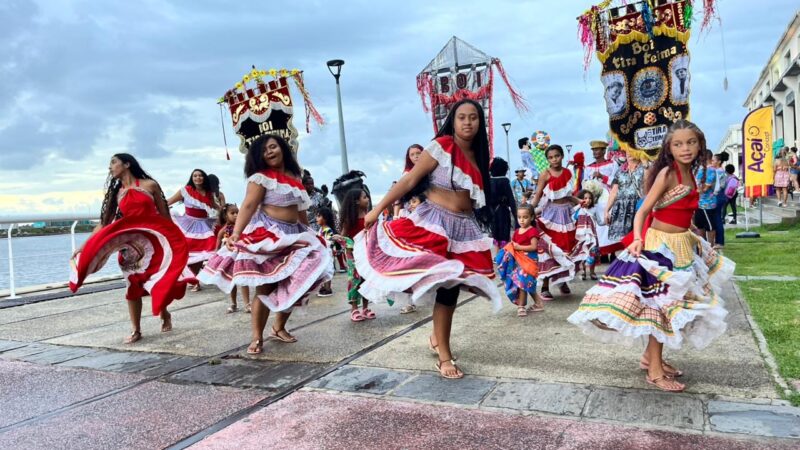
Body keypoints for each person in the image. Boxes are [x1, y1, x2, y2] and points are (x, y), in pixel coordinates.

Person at [568, 120, 733, 393]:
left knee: (670, 307)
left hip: (682, 245)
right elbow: (643, 211)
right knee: (661, 309)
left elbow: (681, 213)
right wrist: (636, 239)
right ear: (669, 148)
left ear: (700, 144)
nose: (686, 148)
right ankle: (654, 371)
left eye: (691, 142)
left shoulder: (692, 173)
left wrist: (694, 236)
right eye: (678, 144)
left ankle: (650, 358)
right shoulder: (668, 173)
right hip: (661, 248)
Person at [354, 99, 500, 379]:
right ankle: (444, 356)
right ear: (453, 122)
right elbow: (409, 181)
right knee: (443, 286)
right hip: (433, 223)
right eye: (462, 118)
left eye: (473, 118)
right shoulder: (443, 145)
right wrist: (378, 208)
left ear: (481, 123)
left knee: (452, 288)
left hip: (464, 230)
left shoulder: (479, 158)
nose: (468, 122)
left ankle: (437, 338)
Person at [198, 135, 333, 355]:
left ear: (282, 149)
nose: (269, 152)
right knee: (265, 287)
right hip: (270, 235)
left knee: (298, 282)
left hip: (295, 234)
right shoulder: (260, 178)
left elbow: (300, 209)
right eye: (264, 150)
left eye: (273, 147)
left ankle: (278, 327)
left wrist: (310, 233)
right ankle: (257, 337)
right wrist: (237, 234)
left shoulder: (295, 175)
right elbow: (249, 205)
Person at [70, 153, 189, 344]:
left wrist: (175, 243)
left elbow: (165, 216)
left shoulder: (150, 185)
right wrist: (85, 246)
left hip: (154, 243)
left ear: (126, 164)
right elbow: (104, 223)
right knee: (133, 285)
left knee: (156, 281)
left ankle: (164, 313)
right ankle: (136, 330)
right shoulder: (117, 193)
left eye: (113, 163)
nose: (110, 167)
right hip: (130, 246)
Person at [530, 145, 580, 300]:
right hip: (551, 214)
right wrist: (528, 210)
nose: (554, 159)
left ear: (562, 156)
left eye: (557, 156)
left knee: (567, 248)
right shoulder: (545, 174)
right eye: (550, 157)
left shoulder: (568, 173)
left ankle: (562, 281)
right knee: (549, 249)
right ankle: (545, 286)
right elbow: (538, 195)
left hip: (566, 215)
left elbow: (569, 195)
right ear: (547, 160)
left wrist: (580, 201)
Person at [167, 168, 218, 290]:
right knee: (189, 253)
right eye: (195, 176)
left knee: (202, 254)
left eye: (200, 175)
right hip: (188, 225)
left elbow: (216, 207)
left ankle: (196, 280)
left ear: (204, 178)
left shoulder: (209, 193)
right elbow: (168, 201)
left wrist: (227, 212)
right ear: (192, 178)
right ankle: (190, 278)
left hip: (204, 225)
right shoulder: (185, 191)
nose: (198, 178)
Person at [495, 204, 543, 317]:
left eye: (525, 217)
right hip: (519, 262)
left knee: (523, 283)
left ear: (531, 217)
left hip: (529, 261)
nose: (522, 220)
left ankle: (521, 306)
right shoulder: (517, 231)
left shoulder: (533, 231)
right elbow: (513, 245)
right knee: (525, 283)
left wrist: (518, 247)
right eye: (519, 217)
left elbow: (534, 247)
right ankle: (538, 303)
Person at [336, 188, 375, 322]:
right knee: (355, 280)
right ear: (356, 201)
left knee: (366, 279)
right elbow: (343, 237)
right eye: (364, 197)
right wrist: (348, 251)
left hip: (367, 252)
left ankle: (365, 308)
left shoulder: (369, 215)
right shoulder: (349, 219)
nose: (367, 199)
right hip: (353, 254)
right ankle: (354, 309)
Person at [214, 203, 251, 313]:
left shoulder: (242, 227)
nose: (236, 215)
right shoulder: (223, 230)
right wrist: (216, 254)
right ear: (225, 216)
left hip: (241, 255)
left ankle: (247, 304)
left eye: (237, 212)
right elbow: (217, 246)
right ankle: (233, 303)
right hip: (229, 258)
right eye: (232, 213)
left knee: (243, 279)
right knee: (232, 281)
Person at [584, 140, 619, 255]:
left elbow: (616, 181)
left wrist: (602, 177)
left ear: (604, 150)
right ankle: (602, 252)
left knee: (609, 223)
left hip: (608, 197)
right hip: (595, 200)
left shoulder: (612, 164)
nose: (595, 152)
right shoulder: (589, 167)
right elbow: (584, 183)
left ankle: (612, 251)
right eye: (593, 150)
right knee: (597, 225)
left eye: (597, 149)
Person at [605, 156, 645, 244]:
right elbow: (614, 191)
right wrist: (607, 210)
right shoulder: (620, 170)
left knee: (640, 239)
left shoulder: (644, 167)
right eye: (627, 151)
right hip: (622, 209)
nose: (630, 153)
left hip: (639, 207)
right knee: (623, 243)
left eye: (632, 150)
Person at [489, 157, 518, 249]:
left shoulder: (489, 181)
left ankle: (497, 256)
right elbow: (511, 200)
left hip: (492, 212)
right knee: (504, 233)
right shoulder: (505, 181)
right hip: (503, 211)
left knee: (495, 233)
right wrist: (516, 217)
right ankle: (503, 256)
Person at [574, 189, 602, 281]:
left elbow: (600, 221)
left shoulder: (594, 209)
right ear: (581, 199)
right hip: (582, 236)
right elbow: (573, 218)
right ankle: (583, 272)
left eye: (590, 198)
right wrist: (579, 207)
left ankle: (592, 272)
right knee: (583, 254)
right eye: (585, 198)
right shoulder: (578, 209)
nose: (588, 200)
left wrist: (607, 221)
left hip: (593, 236)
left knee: (593, 253)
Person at [693, 150, 718, 245]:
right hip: (699, 203)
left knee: (709, 227)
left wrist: (691, 192)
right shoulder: (700, 169)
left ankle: (711, 246)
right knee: (699, 226)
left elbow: (705, 188)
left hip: (707, 203)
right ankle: (704, 246)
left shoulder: (711, 170)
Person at [315, 207, 339, 298]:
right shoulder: (321, 229)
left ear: (325, 218)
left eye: (319, 216)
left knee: (327, 270)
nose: (316, 218)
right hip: (323, 253)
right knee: (323, 271)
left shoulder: (327, 230)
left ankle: (328, 289)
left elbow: (329, 241)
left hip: (327, 254)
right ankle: (324, 287)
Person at [711, 153, 730, 249]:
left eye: (713, 160)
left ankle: (720, 242)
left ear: (719, 161)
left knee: (717, 218)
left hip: (718, 195)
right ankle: (718, 241)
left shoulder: (718, 171)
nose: (712, 162)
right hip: (721, 195)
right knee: (717, 218)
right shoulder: (720, 171)